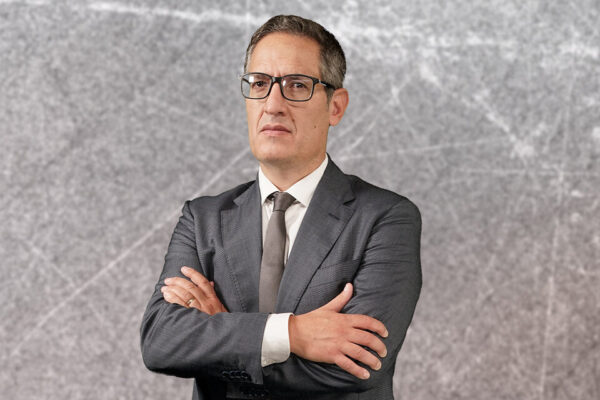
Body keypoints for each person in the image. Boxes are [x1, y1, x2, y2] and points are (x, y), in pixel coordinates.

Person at [141, 14, 422, 400]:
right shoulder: (202, 218)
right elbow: (160, 341)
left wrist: (222, 334)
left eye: (297, 85)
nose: (273, 104)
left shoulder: (386, 218)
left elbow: (359, 364)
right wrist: (292, 333)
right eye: (259, 84)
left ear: (335, 107)